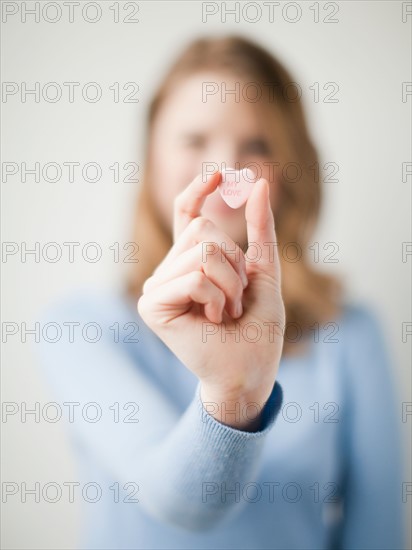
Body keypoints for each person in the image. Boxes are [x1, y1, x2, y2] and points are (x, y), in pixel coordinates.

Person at [36, 35, 406, 549]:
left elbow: (379, 533)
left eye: (257, 145)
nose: (224, 168)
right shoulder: (80, 327)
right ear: (151, 158)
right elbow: (177, 501)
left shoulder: (350, 334)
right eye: (194, 140)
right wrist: (233, 397)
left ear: (291, 166)